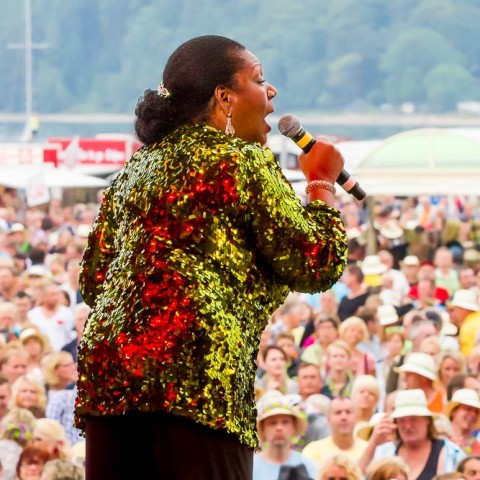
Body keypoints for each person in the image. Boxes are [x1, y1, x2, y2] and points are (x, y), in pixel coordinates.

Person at [74, 35, 348, 480]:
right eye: (259, 80)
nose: (272, 92)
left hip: (110, 383)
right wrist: (320, 184)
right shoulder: (238, 160)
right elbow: (316, 262)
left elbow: (93, 282)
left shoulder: (134, 170)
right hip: (198, 378)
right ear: (224, 98)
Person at [358, 389, 466, 479]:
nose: (408, 426)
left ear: (427, 421)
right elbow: (358, 476)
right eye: (402, 420)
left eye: (413, 419)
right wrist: (373, 443)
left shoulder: (451, 453)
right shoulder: (384, 452)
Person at [253, 392, 317, 480]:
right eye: (272, 423)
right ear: (263, 428)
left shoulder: (309, 467)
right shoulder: (251, 468)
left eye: (285, 422)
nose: (279, 428)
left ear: (294, 427)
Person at [302, 396, 368, 465]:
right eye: (338, 412)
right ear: (328, 419)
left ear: (356, 418)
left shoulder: (369, 450)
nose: (344, 417)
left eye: (348, 412)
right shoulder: (313, 450)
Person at [444, 389, 480, 454]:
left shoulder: (477, 448)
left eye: (477, 412)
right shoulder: (439, 438)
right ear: (453, 411)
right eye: (468, 408)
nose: (473, 414)